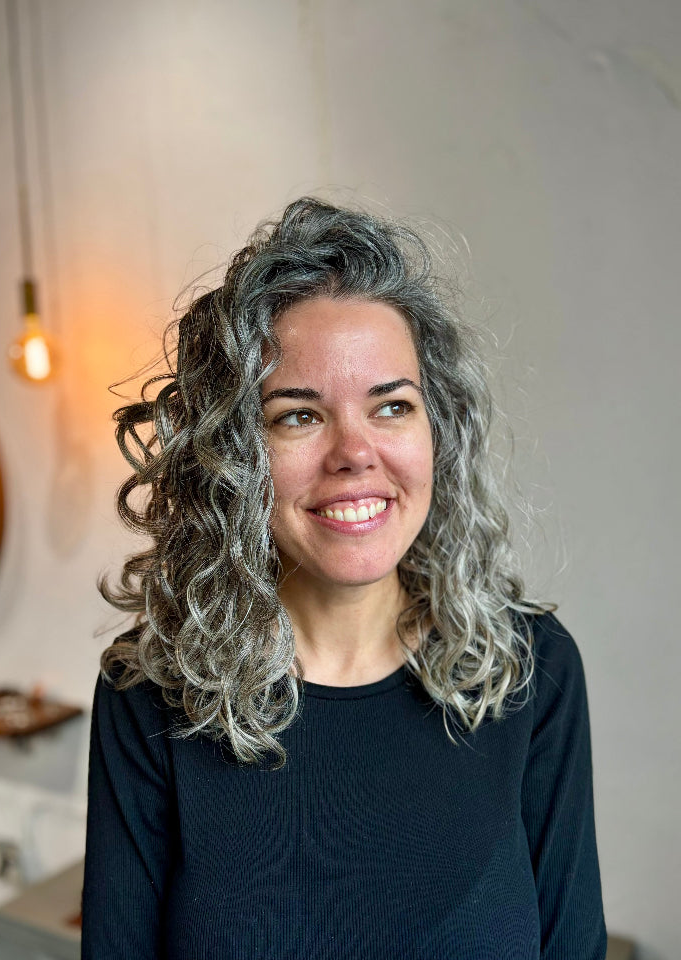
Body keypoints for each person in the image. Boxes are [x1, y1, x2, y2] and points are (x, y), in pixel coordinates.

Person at [82, 197, 606, 959]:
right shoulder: (150, 695)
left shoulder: (531, 670)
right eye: (298, 415)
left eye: (392, 406)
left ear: (439, 433)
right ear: (233, 456)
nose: (354, 453)